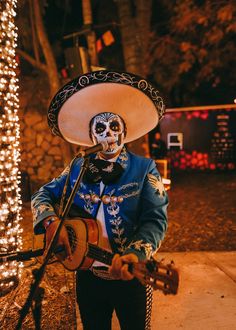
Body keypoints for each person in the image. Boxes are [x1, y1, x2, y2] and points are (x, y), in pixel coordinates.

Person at [31, 70, 168, 330]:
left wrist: (135, 254)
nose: (108, 134)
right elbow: (42, 194)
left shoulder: (144, 168)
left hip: (132, 277)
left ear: (124, 132)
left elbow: (155, 220)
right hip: (88, 276)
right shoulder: (77, 167)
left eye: (114, 126)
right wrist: (51, 223)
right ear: (92, 136)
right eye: (100, 128)